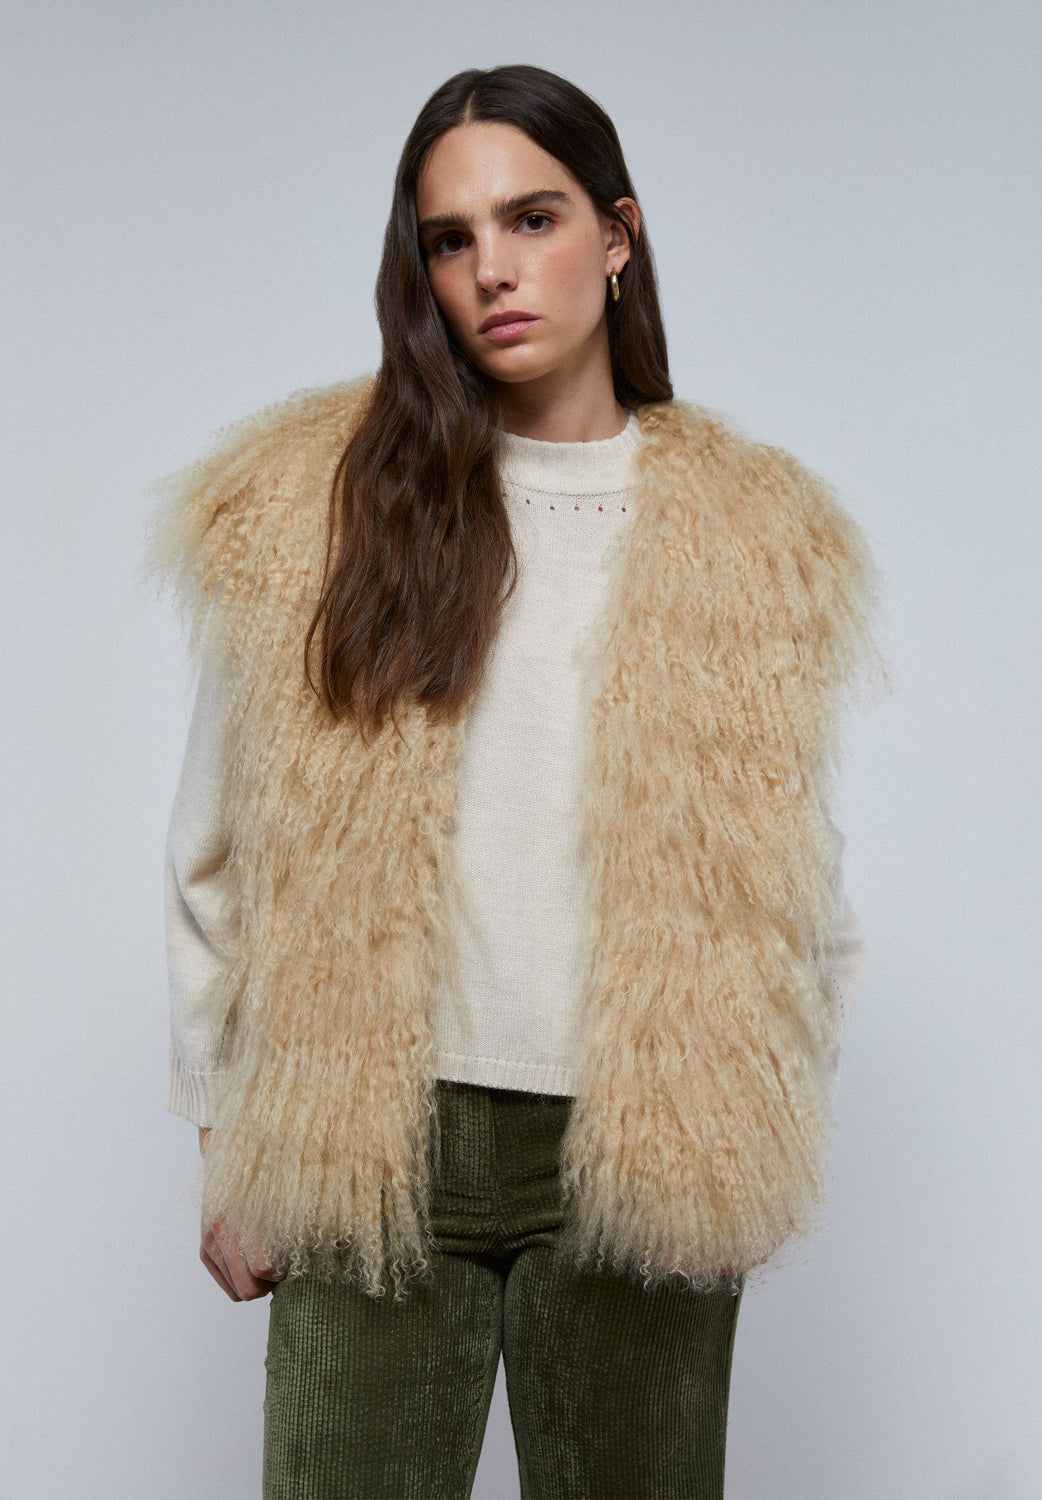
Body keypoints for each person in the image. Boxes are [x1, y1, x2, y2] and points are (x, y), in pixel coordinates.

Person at [155, 63, 877, 1500]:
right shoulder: (314, 502)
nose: (490, 268)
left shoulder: (754, 529)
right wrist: (233, 1139)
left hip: (642, 1145)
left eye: (532, 219)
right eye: (450, 237)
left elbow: (792, 879)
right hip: (367, 1134)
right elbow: (214, 842)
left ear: (616, 236)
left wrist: (750, 1133)